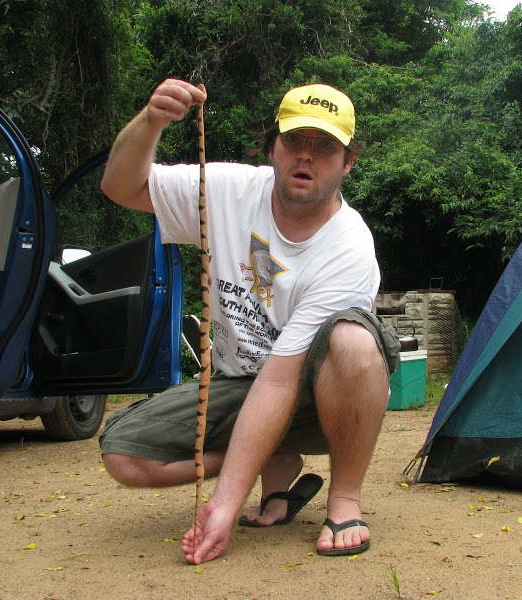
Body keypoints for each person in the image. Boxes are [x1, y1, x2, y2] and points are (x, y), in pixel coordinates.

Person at [98, 78, 400, 565]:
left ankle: (345, 498)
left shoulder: (349, 247)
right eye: (294, 140)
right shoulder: (225, 189)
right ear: (273, 146)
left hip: (316, 395)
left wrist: (224, 503)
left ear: (347, 163)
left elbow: (282, 380)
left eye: (325, 147)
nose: (306, 156)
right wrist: (151, 122)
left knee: (353, 342)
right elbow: (120, 186)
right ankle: (274, 458)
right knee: (125, 455)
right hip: (240, 382)